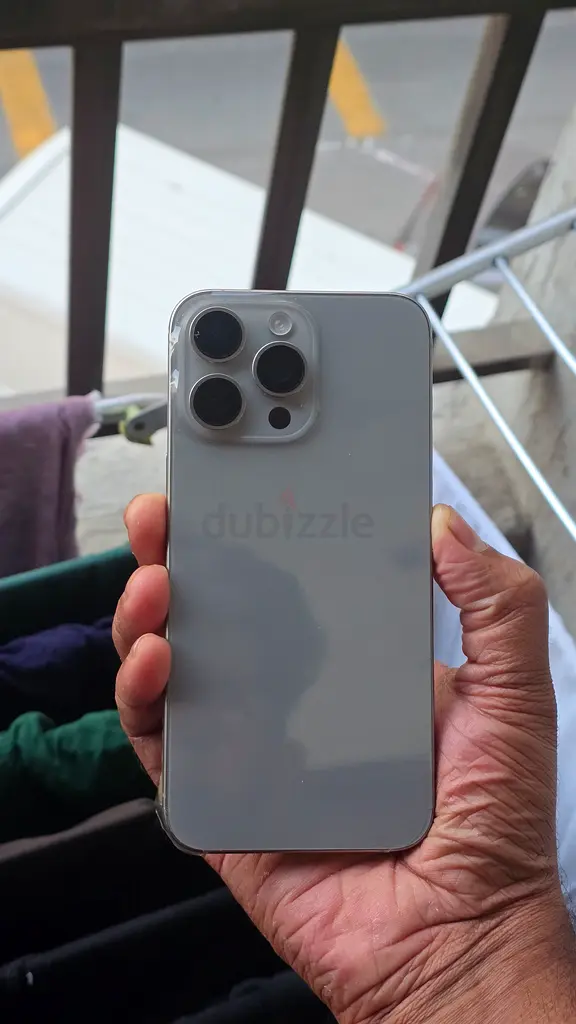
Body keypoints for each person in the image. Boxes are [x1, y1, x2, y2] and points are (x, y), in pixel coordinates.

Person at [113, 495, 576, 1023]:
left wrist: (472, 955)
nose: (222, 718)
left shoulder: (386, 810)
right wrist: (467, 965)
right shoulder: (284, 804)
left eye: (247, 695)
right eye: (214, 686)